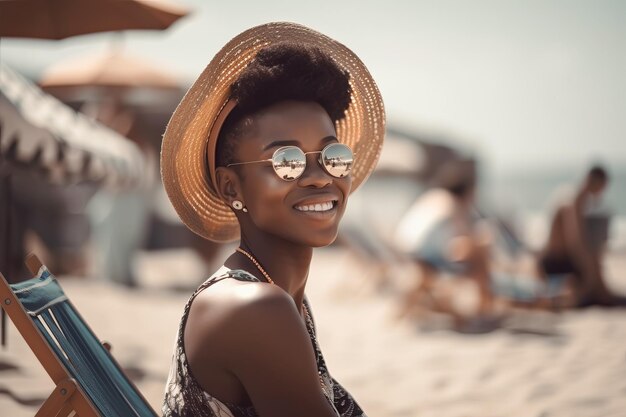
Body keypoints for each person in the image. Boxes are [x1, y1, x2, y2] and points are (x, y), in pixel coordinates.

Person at [160, 23, 384, 416]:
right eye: (287, 161)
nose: (319, 176)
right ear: (231, 188)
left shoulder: (274, 293)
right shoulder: (254, 308)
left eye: (333, 156)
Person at [393, 160, 496, 320]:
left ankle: (483, 307)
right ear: (467, 191)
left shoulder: (433, 196)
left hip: (405, 253)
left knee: (476, 249)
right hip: (427, 260)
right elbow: (462, 240)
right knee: (480, 253)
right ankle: (484, 308)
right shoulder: (453, 203)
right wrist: (482, 243)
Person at [539, 165, 624, 307]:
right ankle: (600, 295)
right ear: (596, 182)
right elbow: (575, 242)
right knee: (592, 259)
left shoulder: (571, 195)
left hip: (555, 260)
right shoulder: (575, 200)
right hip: (555, 262)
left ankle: (601, 294)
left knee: (593, 259)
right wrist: (591, 272)